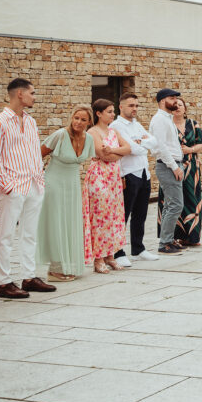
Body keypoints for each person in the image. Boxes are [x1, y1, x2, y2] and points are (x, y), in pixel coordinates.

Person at [0, 78, 56, 298]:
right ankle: (4, 282)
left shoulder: (31, 121)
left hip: (34, 184)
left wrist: (40, 180)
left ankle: (28, 277)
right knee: (5, 234)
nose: (34, 97)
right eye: (32, 93)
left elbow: (36, 153)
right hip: (14, 186)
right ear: (19, 94)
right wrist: (8, 187)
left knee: (29, 233)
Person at [36, 105, 95, 281]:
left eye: (83, 119)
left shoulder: (89, 139)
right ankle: (55, 269)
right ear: (71, 118)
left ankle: (68, 265)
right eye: (76, 118)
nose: (78, 122)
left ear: (89, 122)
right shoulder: (60, 135)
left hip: (73, 185)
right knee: (56, 224)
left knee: (71, 223)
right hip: (53, 184)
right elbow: (37, 155)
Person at [110, 92, 160, 266]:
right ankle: (117, 252)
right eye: (131, 105)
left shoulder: (137, 124)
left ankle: (138, 249)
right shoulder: (117, 125)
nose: (135, 109)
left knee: (141, 213)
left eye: (137, 105)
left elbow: (154, 142)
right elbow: (132, 149)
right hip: (128, 173)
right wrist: (140, 144)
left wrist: (141, 143)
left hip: (143, 172)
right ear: (121, 106)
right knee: (123, 215)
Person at [85, 99, 131, 273]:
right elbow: (102, 155)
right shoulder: (93, 132)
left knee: (113, 216)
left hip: (114, 177)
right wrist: (116, 153)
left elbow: (128, 149)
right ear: (98, 113)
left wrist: (113, 151)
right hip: (99, 176)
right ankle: (98, 258)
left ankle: (110, 255)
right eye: (110, 111)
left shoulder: (113, 131)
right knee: (100, 217)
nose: (113, 114)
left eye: (113, 111)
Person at [158, 98, 202, 247]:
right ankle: (173, 237)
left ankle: (192, 236)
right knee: (173, 201)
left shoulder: (193, 124)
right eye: (175, 105)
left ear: (185, 108)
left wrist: (190, 150)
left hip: (191, 167)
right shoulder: (167, 125)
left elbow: (201, 144)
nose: (177, 107)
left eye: (180, 105)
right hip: (172, 166)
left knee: (192, 200)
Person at [150, 88, 187, 254]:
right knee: (176, 205)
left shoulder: (167, 119)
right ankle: (164, 242)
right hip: (167, 166)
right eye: (172, 98)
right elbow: (161, 146)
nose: (175, 101)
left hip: (172, 164)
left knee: (171, 205)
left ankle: (168, 239)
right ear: (162, 100)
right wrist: (174, 166)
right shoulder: (159, 120)